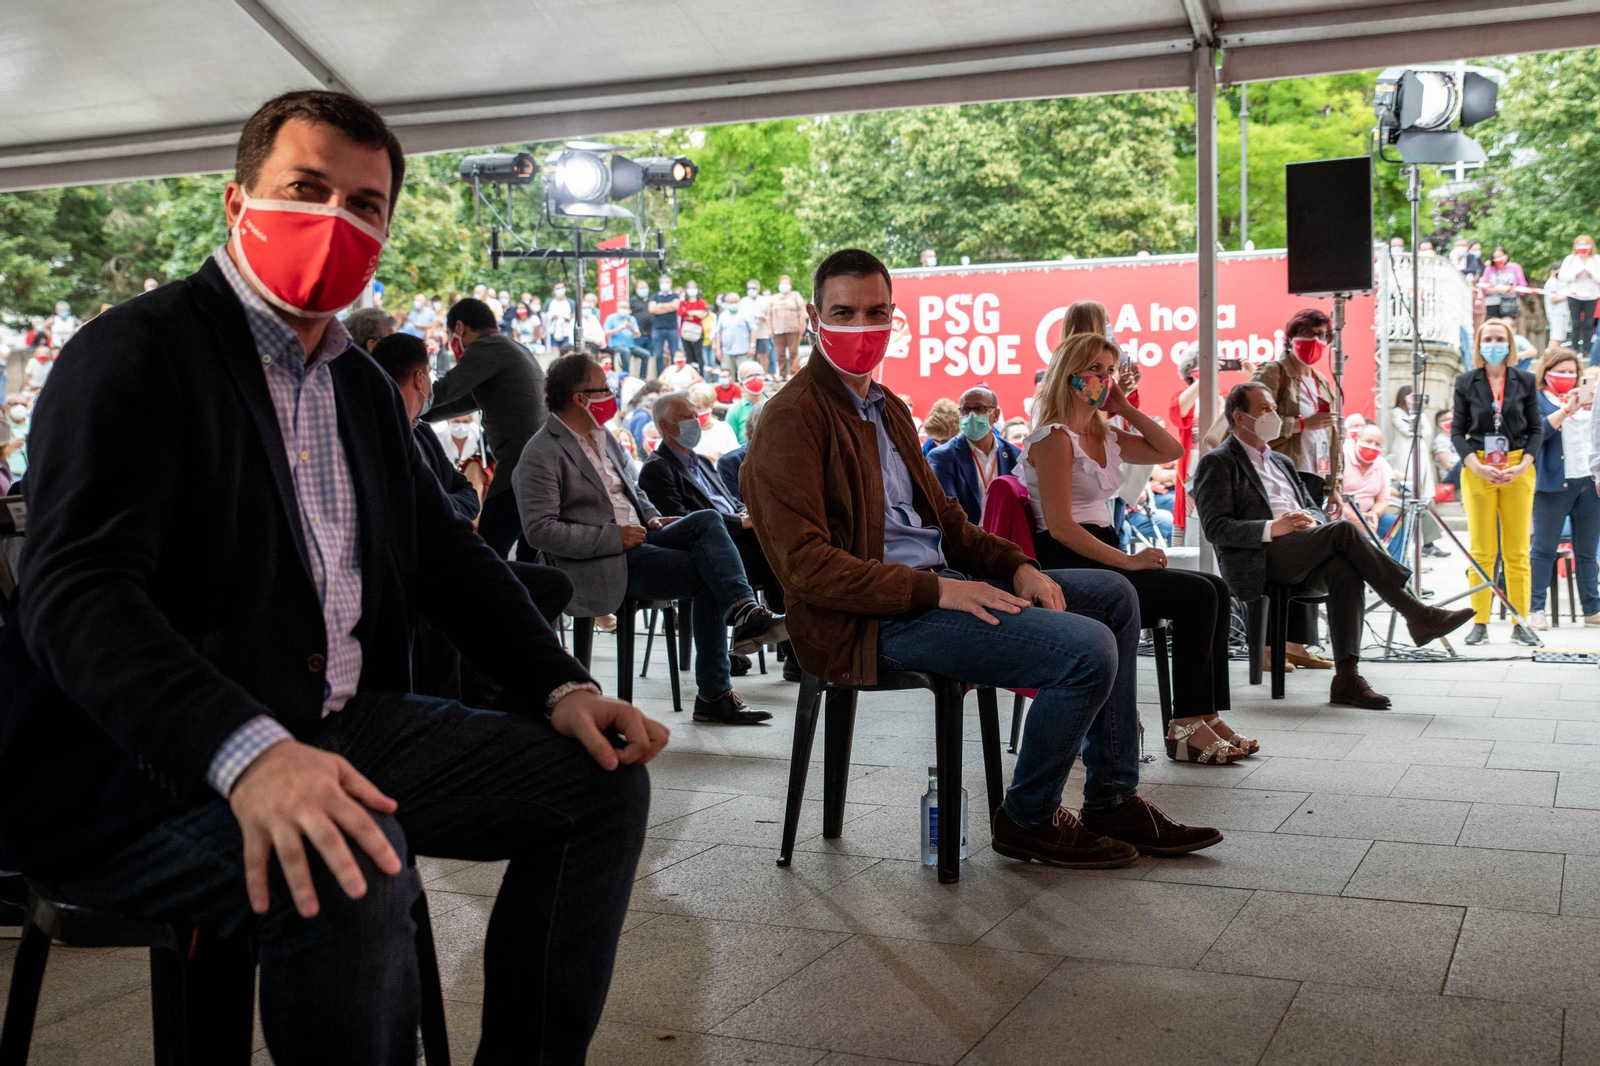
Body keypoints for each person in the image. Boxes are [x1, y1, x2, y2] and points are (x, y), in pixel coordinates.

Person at [0, 89, 663, 1063]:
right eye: (306, 189)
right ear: (238, 205)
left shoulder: (354, 383)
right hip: (148, 764)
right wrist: (251, 752)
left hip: (338, 721)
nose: (335, 221)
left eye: (364, 205)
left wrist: (558, 686)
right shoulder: (133, 357)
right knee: (355, 861)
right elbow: (78, 596)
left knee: (601, 786)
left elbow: (443, 551)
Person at [742, 248, 1222, 865]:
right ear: (813, 317)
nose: (862, 328)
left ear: (894, 316)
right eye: (844, 312)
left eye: (876, 312)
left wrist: (1016, 564)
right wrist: (940, 591)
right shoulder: (791, 419)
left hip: (935, 586)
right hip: (866, 618)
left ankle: (1111, 798)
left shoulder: (887, 408)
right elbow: (808, 568)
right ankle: (1028, 818)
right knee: (1087, 649)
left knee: (1116, 597)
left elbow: (951, 523)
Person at [515, 354, 787, 724]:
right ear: (580, 397)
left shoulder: (603, 436)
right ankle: (715, 692)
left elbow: (633, 491)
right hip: (604, 558)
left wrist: (653, 518)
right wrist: (614, 538)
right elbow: (540, 530)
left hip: (644, 537)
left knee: (705, 520)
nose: (612, 395)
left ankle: (743, 613)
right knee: (711, 574)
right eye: (604, 388)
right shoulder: (541, 452)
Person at [1024, 333, 1249, 762]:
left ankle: (1204, 714)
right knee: (1197, 595)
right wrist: (1129, 560)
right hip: (1068, 560)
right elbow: (1061, 528)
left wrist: (1125, 407)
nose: (1104, 380)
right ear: (1069, 375)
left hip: (1102, 550)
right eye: (1095, 370)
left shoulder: (1103, 433)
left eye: (1108, 371)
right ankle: (1186, 727)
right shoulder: (1054, 437)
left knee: (1215, 589)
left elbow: (1172, 448)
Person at [1193, 382, 1474, 708]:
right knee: (1342, 531)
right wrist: (1275, 527)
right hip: (1261, 555)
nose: (1274, 415)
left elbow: (1310, 506)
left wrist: (1309, 519)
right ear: (1240, 418)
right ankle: (1416, 612)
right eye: (1265, 409)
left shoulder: (1281, 461)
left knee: (1344, 570)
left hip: (1302, 546)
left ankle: (1347, 678)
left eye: (1273, 407)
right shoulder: (1218, 462)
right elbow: (1216, 528)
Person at [639, 390, 785, 616]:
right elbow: (681, 521)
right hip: (715, 549)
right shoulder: (657, 468)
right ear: (665, 426)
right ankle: (787, 641)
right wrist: (739, 523)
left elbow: (731, 502)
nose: (694, 423)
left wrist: (745, 514)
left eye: (695, 416)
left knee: (785, 550)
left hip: (742, 538)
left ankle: (792, 639)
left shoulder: (703, 462)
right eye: (686, 418)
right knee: (777, 561)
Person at [424, 297, 548, 559]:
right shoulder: (512, 348)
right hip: (539, 461)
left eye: (450, 335)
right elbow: (462, 401)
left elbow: (444, 390)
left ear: (460, 327)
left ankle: (495, 600)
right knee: (531, 556)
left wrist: (403, 400)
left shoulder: (486, 347)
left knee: (488, 552)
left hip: (520, 463)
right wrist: (421, 415)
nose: (451, 343)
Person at [1452, 318, 1543, 646]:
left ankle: (1521, 622)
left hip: (1518, 466)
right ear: (1479, 344)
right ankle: (1480, 621)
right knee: (1482, 550)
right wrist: (1474, 464)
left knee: (1517, 550)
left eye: (1500, 338)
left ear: (1510, 345)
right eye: (1488, 338)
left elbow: (1536, 429)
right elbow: (1456, 432)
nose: (1494, 344)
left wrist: (1524, 465)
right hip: (1478, 467)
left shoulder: (1526, 380)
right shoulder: (1465, 382)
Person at [1528, 348, 1599, 628]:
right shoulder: (1537, 400)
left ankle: (1592, 608)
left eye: (1572, 372)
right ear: (1546, 372)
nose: (1567, 377)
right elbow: (1538, 434)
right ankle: (1536, 608)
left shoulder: (1589, 400)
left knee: (1587, 550)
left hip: (1588, 481)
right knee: (1543, 548)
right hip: (1553, 483)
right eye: (1561, 371)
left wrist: (1589, 406)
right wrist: (1566, 410)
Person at [927, 385, 1020, 524]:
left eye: (979, 409)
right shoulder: (943, 457)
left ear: (995, 415)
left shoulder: (1015, 455)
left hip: (1007, 537)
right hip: (967, 540)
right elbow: (946, 512)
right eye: (965, 410)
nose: (971, 415)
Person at [1341, 423, 1399, 544]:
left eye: (1377, 444)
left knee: (1396, 526)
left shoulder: (1381, 464)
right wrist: (1353, 517)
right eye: (1368, 441)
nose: (1372, 446)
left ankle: (1396, 563)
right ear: (1357, 440)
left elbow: (1383, 499)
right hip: (1342, 516)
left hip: (1369, 516)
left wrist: (1375, 514)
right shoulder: (1342, 459)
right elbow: (1332, 496)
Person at [1167, 346, 1202, 544]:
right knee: (1192, 524)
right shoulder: (1183, 397)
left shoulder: (1224, 397)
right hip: (1193, 467)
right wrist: (1202, 381)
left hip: (1219, 464)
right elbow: (1178, 412)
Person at [1559, 235, 1599, 358]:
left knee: (1588, 324)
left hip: (1591, 296)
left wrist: (1590, 274)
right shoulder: (1570, 259)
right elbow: (1562, 276)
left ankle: (1586, 350)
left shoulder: (1596, 259)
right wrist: (1575, 275)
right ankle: (1574, 350)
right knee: (1576, 323)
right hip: (1574, 295)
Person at [688, 382, 740, 461]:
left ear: (711, 406)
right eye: (691, 407)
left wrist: (723, 456)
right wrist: (704, 460)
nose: (694, 412)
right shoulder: (685, 431)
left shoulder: (724, 429)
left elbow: (736, 457)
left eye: (698, 407)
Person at [769, 274, 808, 378]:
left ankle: (795, 374)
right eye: (782, 283)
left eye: (786, 283)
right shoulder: (774, 298)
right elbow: (769, 314)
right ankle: (782, 375)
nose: (784, 285)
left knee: (793, 353)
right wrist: (770, 328)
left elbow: (802, 310)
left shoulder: (795, 295)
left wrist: (801, 324)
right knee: (780, 354)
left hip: (793, 328)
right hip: (778, 329)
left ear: (790, 285)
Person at [1480, 247, 1527, 324]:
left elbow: (1522, 286)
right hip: (1492, 304)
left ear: (1506, 256)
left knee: (1507, 325)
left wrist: (1511, 290)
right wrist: (1500, 290)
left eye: (1500, 256)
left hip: (1509, 303)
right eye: (1495, 257)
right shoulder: (1489, 269)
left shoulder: (1515, 267)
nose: (1498, 259)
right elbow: (1484, 288)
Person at [603, 299, 648, 378]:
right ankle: (626, 375)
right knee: (626, 352)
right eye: (622, 307)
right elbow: (605, 333)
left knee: (646, 354)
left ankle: (643, 377)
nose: (624, 310)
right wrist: (619, 328)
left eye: (626, 308)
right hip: (615, 345)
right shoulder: (611, 318)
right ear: (617, 307)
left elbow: (638, 335)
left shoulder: (631, 319)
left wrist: (631, 328)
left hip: (630, 345)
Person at [713, 291, 756, 374]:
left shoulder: (746, 313)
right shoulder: (723, 315)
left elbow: (753, 330)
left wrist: (752, 346)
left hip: (744, 351)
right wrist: (718, 349)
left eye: (734, 302)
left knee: (745, 374)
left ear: (738, 302)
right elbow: (718, 333)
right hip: (726, 352)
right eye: (730, 302)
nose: (732, 304)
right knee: (727, 374)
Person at [725, 361, 767, 444]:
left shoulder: (774, 406)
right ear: (741, 383)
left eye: (758, 375)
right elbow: (728, 440)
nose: (755, 378)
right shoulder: (734, 411)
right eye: (750, 376)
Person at [646, 275, 680, 367]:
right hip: (658, 329)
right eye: (662, 282)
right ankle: (660, 375)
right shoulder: (655, 296)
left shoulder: (674, 296)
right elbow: (652, 309)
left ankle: (673, 374)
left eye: (666, 282)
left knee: (674, 353)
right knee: (658, 355)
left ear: (670, 284)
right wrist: (669, 308)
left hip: (672, 328)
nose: (664, 285)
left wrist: (660, 306)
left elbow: (676, 306)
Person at [678, 282, 711, 369]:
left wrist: (689, 315)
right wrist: (696, 313)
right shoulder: (683, 303)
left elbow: (701, 315)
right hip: (685, 332)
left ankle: (701, 375)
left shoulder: (701, 302)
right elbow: (681, 313)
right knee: (688, 354)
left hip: (698, 331)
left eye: (694, 288)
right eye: (690, 288)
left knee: (698, 354)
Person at [743, 280, 774, 372]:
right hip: (748, 334)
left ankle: (763, 375)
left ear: (758, 289)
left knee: (763, 355)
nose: (751, 290)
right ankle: (752, 374)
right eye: (749, 288)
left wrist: (765, 320)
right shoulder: (743, 301)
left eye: (753, 288)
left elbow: (770, 315)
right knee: (750, 356)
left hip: (762, 332)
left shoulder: (765, 300)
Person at [1545, 263, 1571, 345]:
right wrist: (1566, 296)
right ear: (1553, 271)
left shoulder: (1557, 282)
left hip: (1561, 313)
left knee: (1559, 338)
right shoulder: (1552, 282)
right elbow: (1552, 299)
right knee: (1555, 337)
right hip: (1556, 313)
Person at [544, 283, 575, 348]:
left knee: (567, 351)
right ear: (554, 290)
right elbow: (545, 316)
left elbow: (573, 315)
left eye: (562, 288)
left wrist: (567, 318)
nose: (560, 290)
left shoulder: (571, 302)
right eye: (558, 288)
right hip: (553, 330)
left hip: (567, 331)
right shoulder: (549, 302)